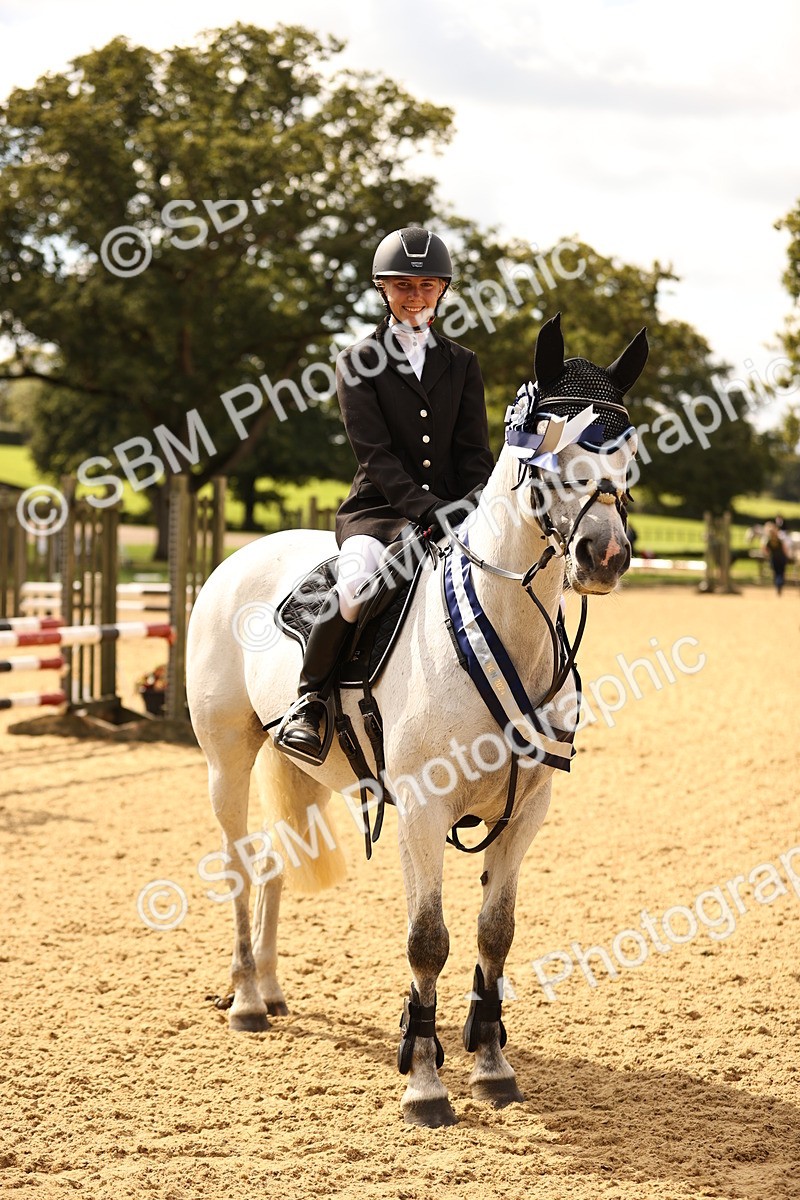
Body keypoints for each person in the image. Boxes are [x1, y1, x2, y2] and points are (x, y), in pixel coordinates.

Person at [278, 226, 495, 759]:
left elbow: (474, 453)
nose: (414, 296)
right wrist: (428, 510)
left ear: (442, 289)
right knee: (354, 589)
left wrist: (476, 509)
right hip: (378, 511)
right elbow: (373, 455)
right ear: (383, 289)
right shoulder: (357, 360)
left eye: (425, 285)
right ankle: (310, 702)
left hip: (455, 513)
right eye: (403, 285)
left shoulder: (462, 363)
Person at [762, 520, 792, 596]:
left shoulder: (768, 541)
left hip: (774, 559)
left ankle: (777, 586)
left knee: (776, 573)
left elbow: (765, 549)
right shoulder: (780, 540)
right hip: (782, 558)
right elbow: (785, 549)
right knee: (781, 573)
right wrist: (787, 556)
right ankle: (780, 585)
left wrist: (767, 555)